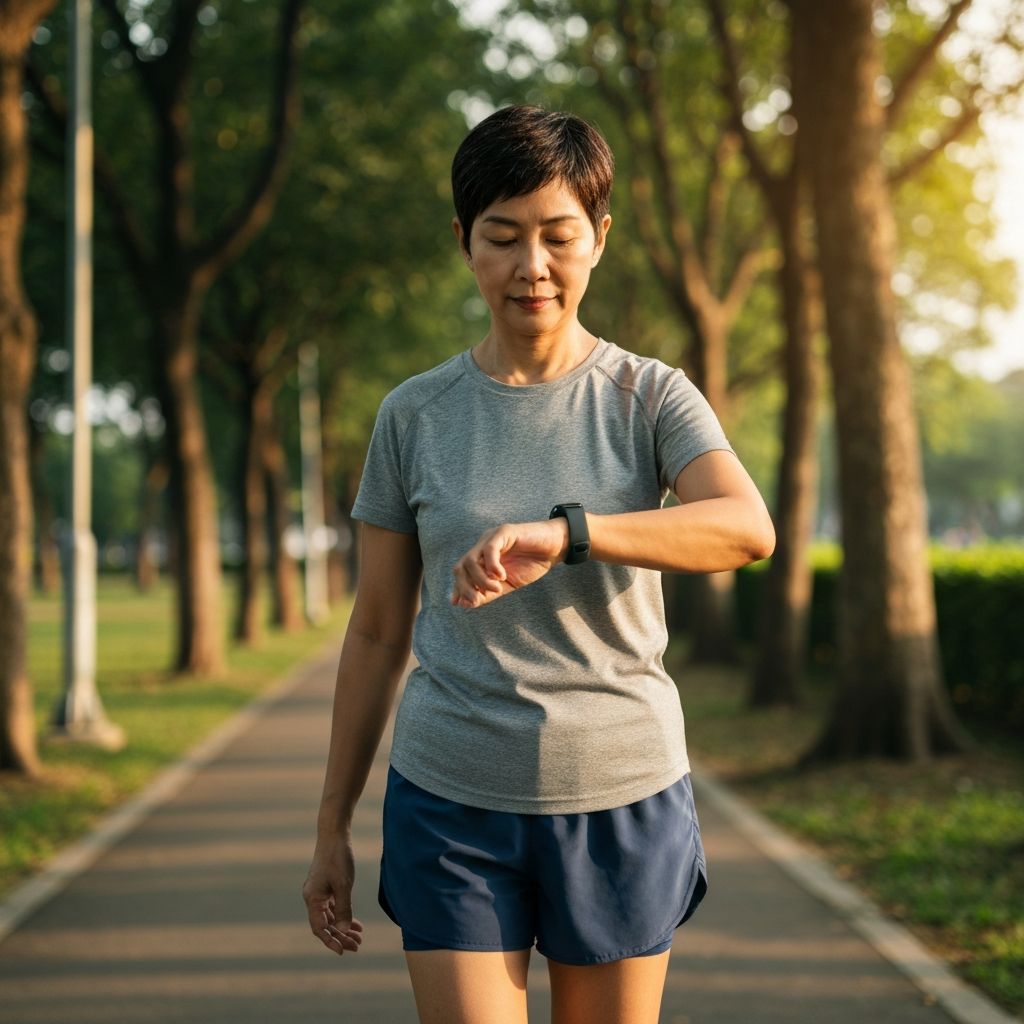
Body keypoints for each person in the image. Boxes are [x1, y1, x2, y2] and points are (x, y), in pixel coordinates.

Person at [302, 105, 776, 1024]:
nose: (533, 267)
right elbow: (373, 629)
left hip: (621, 792)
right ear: (463, 242)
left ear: (598, 237)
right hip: (449, 799)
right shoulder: (414, 415)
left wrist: (569, 533)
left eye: (559, 236)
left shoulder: (649, 396)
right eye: (502, 237)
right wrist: (331, 827)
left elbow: (744, 527)